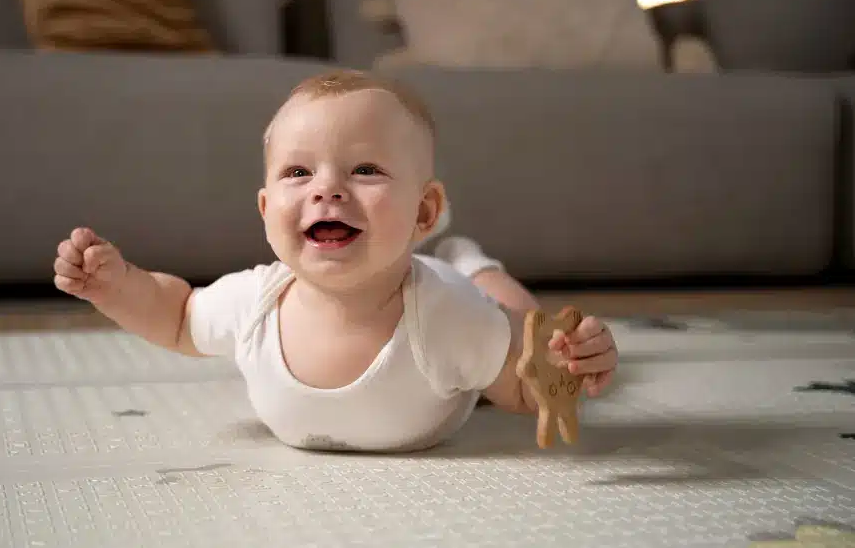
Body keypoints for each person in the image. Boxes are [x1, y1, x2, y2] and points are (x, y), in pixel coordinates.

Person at [52, 69, 618, 453]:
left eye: (365, 169)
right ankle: (462, 255)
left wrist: (571, 362)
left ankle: (473, 261)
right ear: (267, 207)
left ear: (424, 211)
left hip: (456, 298)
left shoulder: (449, 318)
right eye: (298, 173)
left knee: (513, 308)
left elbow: (524, 389)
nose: (327, 190)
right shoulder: (255, 302)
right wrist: (116, 285)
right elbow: (176, 316)